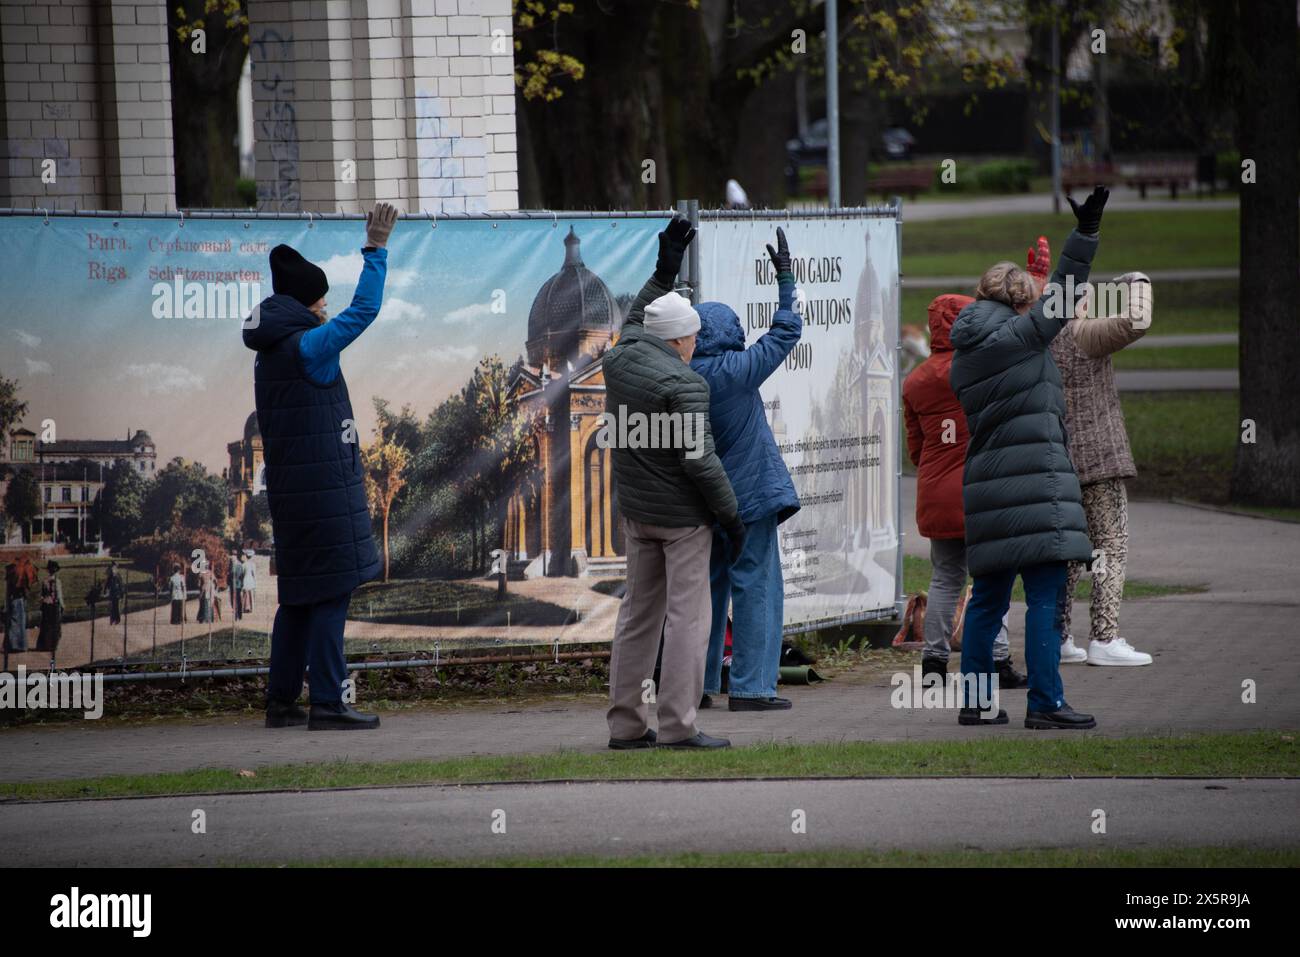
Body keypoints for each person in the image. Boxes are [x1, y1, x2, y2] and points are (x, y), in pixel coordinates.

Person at [948, 185, 1111, 730]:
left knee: (988, 601)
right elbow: (1061, 297)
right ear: (1019, 305)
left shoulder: (966, 352)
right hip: (1035, 486)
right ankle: (1045, 703)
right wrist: (1084, 236)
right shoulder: (1019, 338)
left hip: (989, 489)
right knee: (1045, 595)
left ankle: (975, 702)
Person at [243, 202, 398, 731]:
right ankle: (328, 703)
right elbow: (364, 312)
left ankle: (282, 701)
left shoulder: (269, 353)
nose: (326, 307)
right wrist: (375, 249)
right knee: (330, 594)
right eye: (320, 299)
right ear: (306, 304)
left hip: (293, 497)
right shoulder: (310, 346)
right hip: (325, 496)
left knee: (299, 597)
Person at [602, 214, 744, 750]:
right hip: (683, 520)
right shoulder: (686, 384)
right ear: (681, 340)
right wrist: (731, 518)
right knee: (687, 619)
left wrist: (666, 265)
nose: (696, 342)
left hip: (637, 512)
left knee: (637, 616)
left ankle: (625, 725)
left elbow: (641, 313)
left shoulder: (622, 357)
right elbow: (701, 463)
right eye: (694, 335)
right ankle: (680, 725)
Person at [690, 227, 802, 712]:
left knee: (706, 593)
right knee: (755, 584)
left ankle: (700, 683)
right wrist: (784, 279)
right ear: (731, 333)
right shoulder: (738, 370)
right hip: (750, 499)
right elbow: (786, 331)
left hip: (702, 503)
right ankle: (753, 687)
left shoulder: (681, 376)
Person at [903, 293, 1026, 690]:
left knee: (944, 577)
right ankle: (999, 657)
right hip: (982, 488)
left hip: (937, 490)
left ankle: (934, 661)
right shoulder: (983, 369)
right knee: (992, 578)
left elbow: (917, 450)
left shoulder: (916, 380)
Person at [1049, 271, 1155, 666]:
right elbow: (1136, 321)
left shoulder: (1041, 337)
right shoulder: (1085, 335)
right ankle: (1104, 638)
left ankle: (1059, 636)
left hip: (1059, 458)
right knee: (1110, 545)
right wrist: (1137, 281)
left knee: (1069, 552)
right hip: (1099, 458)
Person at [4, 553, 38, 652]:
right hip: (20, 600)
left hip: (13, 600)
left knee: (13, 623)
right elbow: (27, 589)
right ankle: (20, 645)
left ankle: (13, 644)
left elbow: (8, 592)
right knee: (20, 623)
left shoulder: (13, 576)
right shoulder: (23, 576)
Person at [36, 560, 64, 653]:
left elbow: (43, 594)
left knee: (46, 625)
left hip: (46, 604)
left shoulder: (45, 581)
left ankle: (45, 644)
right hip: (54, 604)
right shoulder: (57, 581)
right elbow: (59, 595)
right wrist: (62, 606)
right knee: (55, 625)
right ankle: (52, 644)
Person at [106, 561, 124, 626]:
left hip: (117, 593)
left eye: (114, 567)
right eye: (112, 567)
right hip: (112, 593)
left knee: (116, 606)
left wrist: (121, 594)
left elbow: (121, 585)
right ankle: (112, 619)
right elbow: (107, 584)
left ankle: (117, 619)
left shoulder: (118, 576)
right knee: (112, 607)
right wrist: (106, 590)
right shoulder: (110, 576)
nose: (113, 569)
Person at [230, 552, 243, 621]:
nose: (231, 560)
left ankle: (239, 615)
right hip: (233, 585)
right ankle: (235, 615)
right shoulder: (232, 565)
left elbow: (240, 575)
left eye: (232, 558)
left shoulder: (239, 565)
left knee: (237, 600)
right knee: (233, 601)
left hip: (237, 586)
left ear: (235, 557)